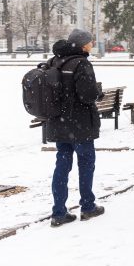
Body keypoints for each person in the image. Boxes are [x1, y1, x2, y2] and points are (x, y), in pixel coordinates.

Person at [47, 29, 106, 227]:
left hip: (59, 124)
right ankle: (88, 206)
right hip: (80, 125)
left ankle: (58, 212)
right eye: (90, 41)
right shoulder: (81, 63)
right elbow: (87, 96)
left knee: (62, 166)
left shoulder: (56, 61)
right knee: (86, 163)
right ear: (83, 45)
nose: (92, 43)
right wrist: (97, 91)